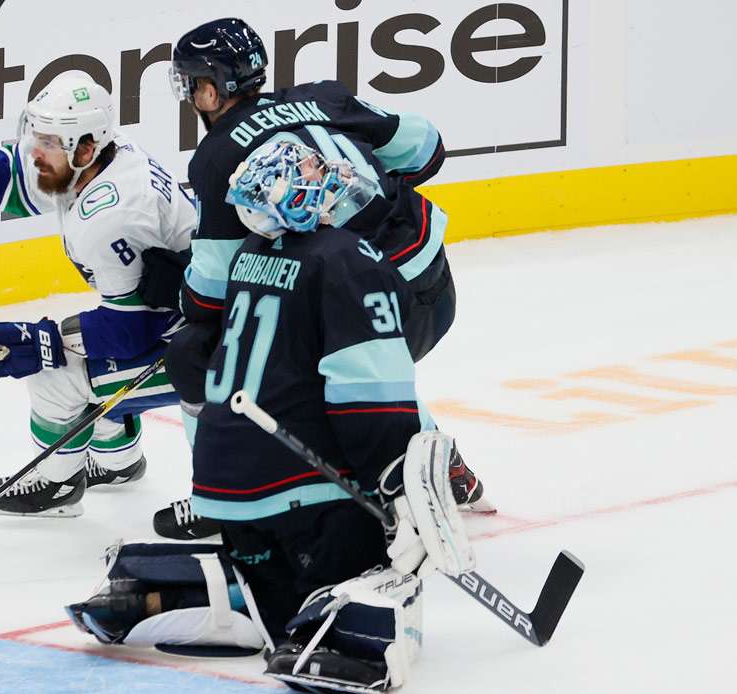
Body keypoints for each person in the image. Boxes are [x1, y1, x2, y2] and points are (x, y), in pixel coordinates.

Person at [65, 141, 476, 693]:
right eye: (308, 169)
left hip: (227, 496)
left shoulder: (250, 257)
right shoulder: (349, 260)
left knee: (276, 589)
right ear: (292, 192)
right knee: (388, 571)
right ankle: (333, 643)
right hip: (305, 500)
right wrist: (397, 492)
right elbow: (370, 400)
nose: (323, 172)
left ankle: (153, 591)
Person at [151, 16, 490, 540]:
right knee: (334, 328)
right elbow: (428, 149)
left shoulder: (217, 157)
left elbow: (211, 298)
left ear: (212, 87)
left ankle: (221, 493)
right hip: (434, 282)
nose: (192, 97)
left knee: (204, 351)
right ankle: (433, 461)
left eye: (193, 84)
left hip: (371, 301)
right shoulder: (325, 98)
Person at [0, 74, 195, 517]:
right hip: (182, 316)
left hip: (211, 345)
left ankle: (58, 484)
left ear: (84, 148)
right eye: (37, 135)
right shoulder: (99, 154)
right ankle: (118, 462)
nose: (33, 151)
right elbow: (11, 186)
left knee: (57, 374)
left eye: (46, 142)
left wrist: (44, 340)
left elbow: (129, 332)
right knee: (81, 350)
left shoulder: (113, 213)